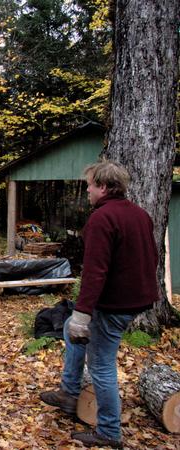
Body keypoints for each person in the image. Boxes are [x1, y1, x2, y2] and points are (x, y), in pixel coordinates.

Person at [39, 161, 159, 448]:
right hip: (133, 300)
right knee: (69, 328)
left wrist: (83, 313)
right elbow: (153, 257)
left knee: (101, 365)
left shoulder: (102, 219)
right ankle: (69, 392)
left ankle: (108, 431)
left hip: (115, 304)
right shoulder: (139, 214)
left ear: (104, 186)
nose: (88, 191)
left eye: (90, 185)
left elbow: (95, 272)